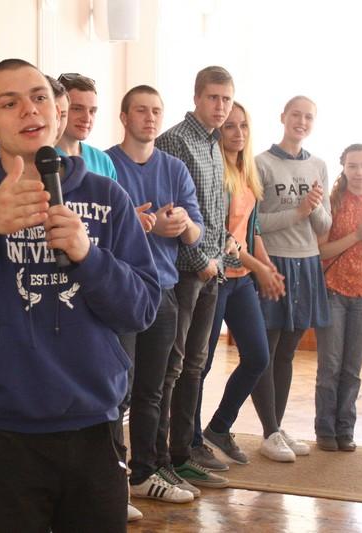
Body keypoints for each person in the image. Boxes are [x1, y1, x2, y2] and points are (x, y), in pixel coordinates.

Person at [0, 58, 160, 533]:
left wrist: (88, 256)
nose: (29, 111)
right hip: (5, 432)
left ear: (57, 109)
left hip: (94, 425)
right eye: (9, 104)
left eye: (38, 98)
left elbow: (141, 308)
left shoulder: (107, 197)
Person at [109, 85, 222, 507]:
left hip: (163, 291)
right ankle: (113, 477)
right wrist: (145, 225)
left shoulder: (174, 168)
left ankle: (147, 471)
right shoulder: (107, 165)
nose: (150, 118)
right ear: (125, 117)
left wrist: (182, 224)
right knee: (118, 391)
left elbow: (196, 233)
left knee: (153, 391)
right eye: (141, 110)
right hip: (120, 291)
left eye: (156, 111)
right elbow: (100, 230)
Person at [154, 66, 239, 470]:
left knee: (196, 365)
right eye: (213, 98)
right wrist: (201, 261)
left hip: (212, 270)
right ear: (196, 98)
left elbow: (211, 208)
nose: (220, 106)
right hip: (185, 272)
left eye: (226, 99)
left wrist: (225, 247)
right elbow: (172, 212)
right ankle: (165, 455)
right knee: (173, 367)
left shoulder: (213, 142)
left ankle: (186, 448)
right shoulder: (175, 140)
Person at [192, 101, 286, 463]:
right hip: (216, 278)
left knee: (258, 357)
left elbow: (251, 228)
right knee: (200, 365)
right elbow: (223, 238)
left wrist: (267, 266)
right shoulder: (215, 173)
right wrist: (258, 267)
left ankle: (219, 427)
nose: (238, 133)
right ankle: (190, 441)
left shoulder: (248, 172)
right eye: (230, 126)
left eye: (243, 125)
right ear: (218, 132)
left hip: (241, 280)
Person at [251, 95, 332, 462]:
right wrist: (298, 211)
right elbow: (254, 223)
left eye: (308, 117)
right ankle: (268, 431)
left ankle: (277, 428)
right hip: (273, 263)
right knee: (265, 352)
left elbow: (325, 225)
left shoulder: (318, 165)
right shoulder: (261, 164)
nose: (301, 121)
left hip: (307, 262)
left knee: (287, 352)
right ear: (283, 117)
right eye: (296, 115)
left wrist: (312, 209)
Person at [315, 144, 362, 452]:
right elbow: (322, 251)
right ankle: (325, 430)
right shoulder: (331, 204)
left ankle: (345, 430)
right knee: (330, 368)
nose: (360, 172)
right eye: (353, 166)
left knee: (352, 370)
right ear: (343, 169)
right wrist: (357, 235)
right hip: (333, 291)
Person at [56, 72, 118, 180]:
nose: (87, 118)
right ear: (58, 110)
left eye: (92, 111)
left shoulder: (103, 161)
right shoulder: (41, 159)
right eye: (77, 109)